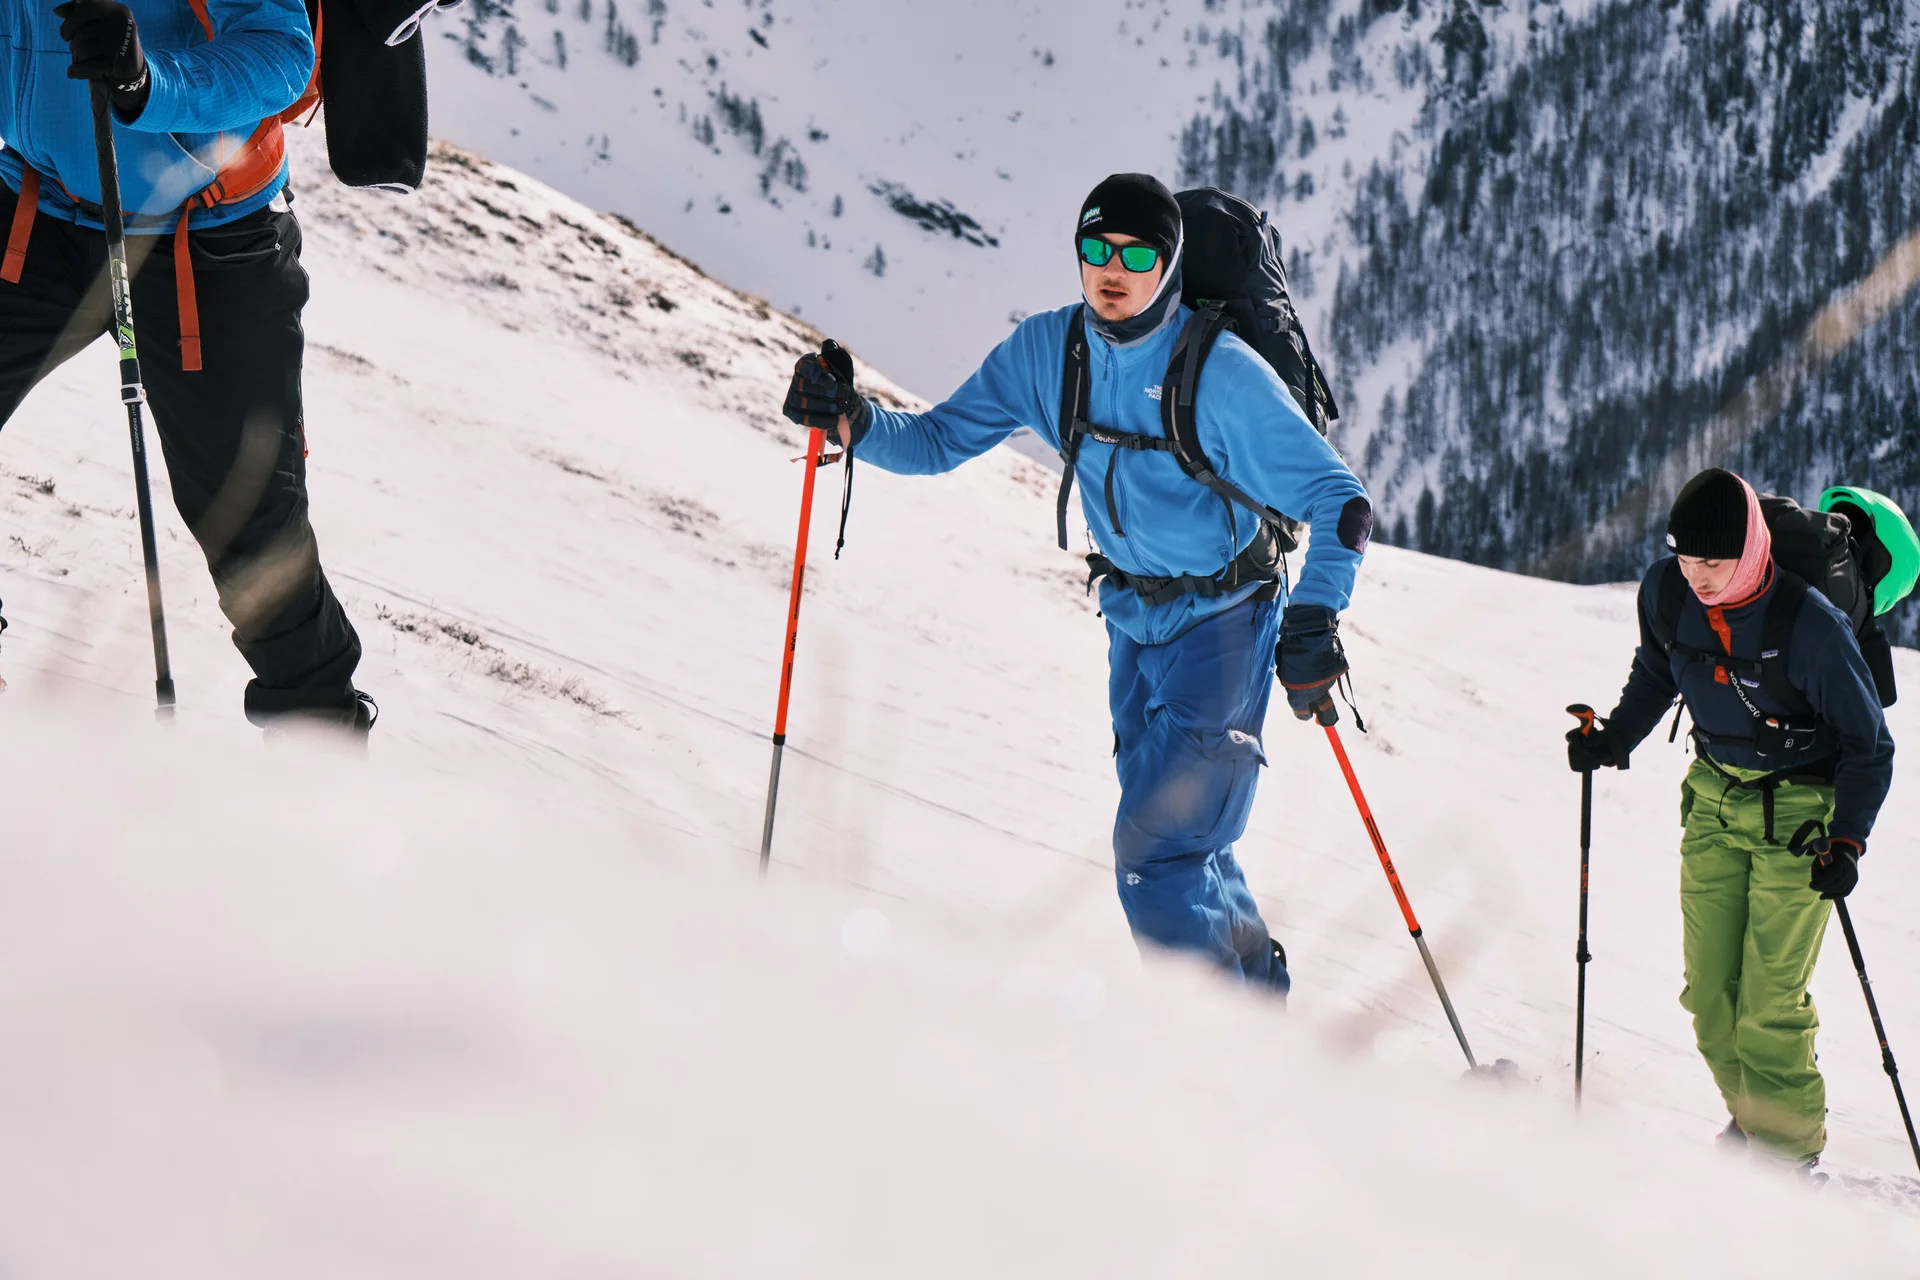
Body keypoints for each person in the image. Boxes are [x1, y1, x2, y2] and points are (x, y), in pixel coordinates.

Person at [782, 174, 1372, 995]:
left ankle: (1213, 1047)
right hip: (1132, 622)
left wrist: (1314, 617)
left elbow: (1342, 501)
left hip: (1225, 627)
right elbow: (940, 440)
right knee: (1186, 842)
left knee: (1155, 858)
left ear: (1170, 264)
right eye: (1097, 249)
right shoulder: (1049, 354)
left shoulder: (1221, 374)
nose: (1113, 270)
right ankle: (1256, 1008)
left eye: (1138, 255)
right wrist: (851, 417)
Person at [0, 0, 371, 732]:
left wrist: (148, 82)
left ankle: (319, 753)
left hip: (210, 236)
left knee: (248, 521)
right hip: (38, 204)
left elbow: (280, 51)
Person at [1568, 468, 1895, 1169]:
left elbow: (1869, 745)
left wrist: (1848, 841)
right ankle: (1756, 1122)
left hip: (1801, 817)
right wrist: (1615, 738)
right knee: (1711, 997)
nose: (1698, 577)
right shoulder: (1667, 593)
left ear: (1748, 551)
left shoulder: (1810, 624)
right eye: (1686, 559)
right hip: (1713, 801)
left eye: (1712, 563)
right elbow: (1658, 670)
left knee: (1769, 1003)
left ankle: (1786, 1161)